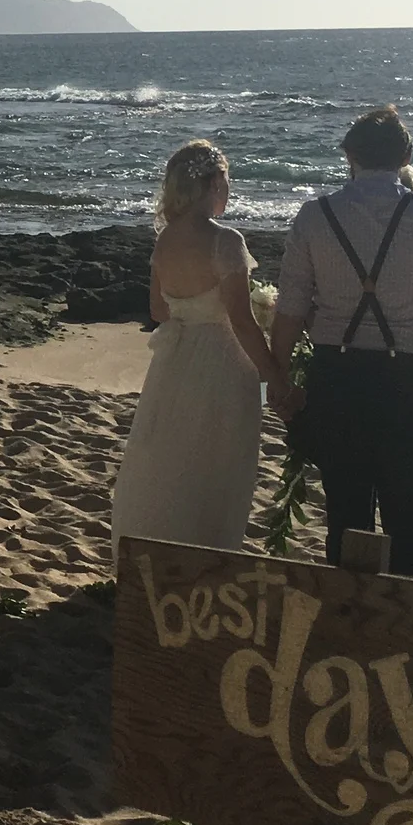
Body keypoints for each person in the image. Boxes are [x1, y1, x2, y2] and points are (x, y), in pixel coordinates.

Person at [269, 105, 413, 578]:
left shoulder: (314, 216)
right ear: (407, 155)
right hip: (409, 381)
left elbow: (290, 309)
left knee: (346, 518)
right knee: (409, 522)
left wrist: (278, 377)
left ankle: (348, 624)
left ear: (349, 155)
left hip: (337, 379)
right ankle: (405, 624)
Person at [111, 140, 293, 559]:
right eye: (226, 182)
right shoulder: (225, 241)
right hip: (223, 362)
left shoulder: (165, 240)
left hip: (176, 361)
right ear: (212, 183)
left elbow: (159, 309)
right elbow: (242, 322)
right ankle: (207, 552)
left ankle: (156, 549)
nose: (228, 191)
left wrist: (192, 309)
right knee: (218, 461)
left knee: (171, 456)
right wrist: (275, 376)